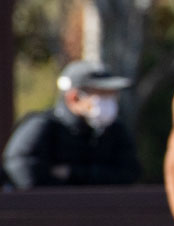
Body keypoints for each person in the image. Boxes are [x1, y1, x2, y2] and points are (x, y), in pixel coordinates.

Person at [4, 60, 141, 189]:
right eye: (102, 94)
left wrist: (72, 172)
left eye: (112, 95)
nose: (109, 102)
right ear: (74, 98)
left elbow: (130, 173)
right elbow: (24, 174)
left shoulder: (114, 130)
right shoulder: (42, 127)